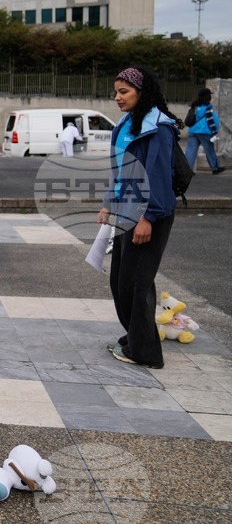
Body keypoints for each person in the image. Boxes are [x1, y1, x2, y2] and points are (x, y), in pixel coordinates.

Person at [97, 67, 179, 370]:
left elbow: (157, 176)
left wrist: (148, 218)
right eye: (116, 91)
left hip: (147, 216)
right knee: (121, 281)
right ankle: (134, 336)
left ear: (141, 93)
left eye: (124, 92)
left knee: (136, 284)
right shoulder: (126, 124)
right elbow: (120, 171)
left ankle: (145, 352)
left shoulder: (158, 127)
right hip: (124, 211)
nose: (117, 97)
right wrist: (108, 204)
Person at [184, 87, 224, 175]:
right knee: (209, 150)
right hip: (204, 132)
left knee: (191, 151)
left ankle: (187, 171)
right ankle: (215, 168)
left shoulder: (195, 106)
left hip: (193, 131)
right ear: (207, 96)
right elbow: (210, 120)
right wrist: (214, 132)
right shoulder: (208, 107)